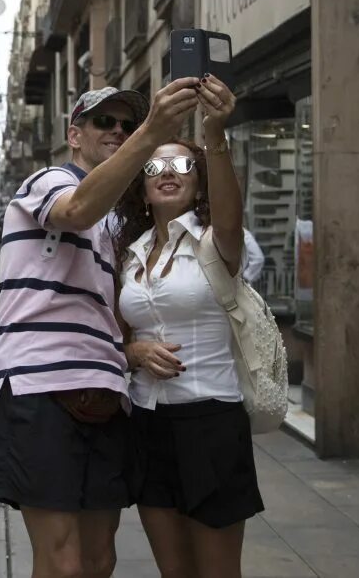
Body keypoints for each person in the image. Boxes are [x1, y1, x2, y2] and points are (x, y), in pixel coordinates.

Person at [0, 80, 200, 578]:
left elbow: (99, 325)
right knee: (62, 564)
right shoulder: (47, 181)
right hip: (39, 385)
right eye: (106, 122)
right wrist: (151, 134)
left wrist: (134, 352)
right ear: (74, 134)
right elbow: (75, 208)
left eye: (127, 124)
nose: (119, 130)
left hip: (105, 393)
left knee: (100, 561)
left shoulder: (117, 227)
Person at [113, 75, 261, 578]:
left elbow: (227, 214)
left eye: (183, 165)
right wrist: (133, 354)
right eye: (155, 165)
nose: (168, 172)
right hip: (147, 422)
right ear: (143, 184)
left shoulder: (216, 243)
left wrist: (214, 137)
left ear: (198, 179)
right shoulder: (128, 257)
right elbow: (119, 335)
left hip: (211, 421)